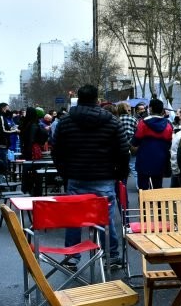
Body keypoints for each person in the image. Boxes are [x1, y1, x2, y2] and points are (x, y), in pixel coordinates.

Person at [52, 84, 130, 269]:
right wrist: (119, 173)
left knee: (74, 217)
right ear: (97, 100)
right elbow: (123, 151)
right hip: (104, 177)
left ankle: (72, 256)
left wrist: (65, 173)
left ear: (78, 99)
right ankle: (111, 256)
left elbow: (57, 151)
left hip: (76, 176)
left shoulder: (65, 122)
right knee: (105, 218)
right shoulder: (112, 121)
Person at [132, 97, 173, 190]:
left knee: (143, 189)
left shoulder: (143, 123)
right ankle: (158, 204)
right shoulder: (168, 124)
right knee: (157, 188)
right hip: (161, 160)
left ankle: (144, 204)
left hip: (143, 160)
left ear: (150, 109)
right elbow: (170, 143)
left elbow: (135, 142)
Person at [115, 102, 138, 177]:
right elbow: (137, 132)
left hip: (120, 145)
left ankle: (122, 187)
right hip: (132, 145)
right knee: (133, 166)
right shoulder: (133, 119)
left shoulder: (116, 119)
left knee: (121, 167)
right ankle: (139, 186)